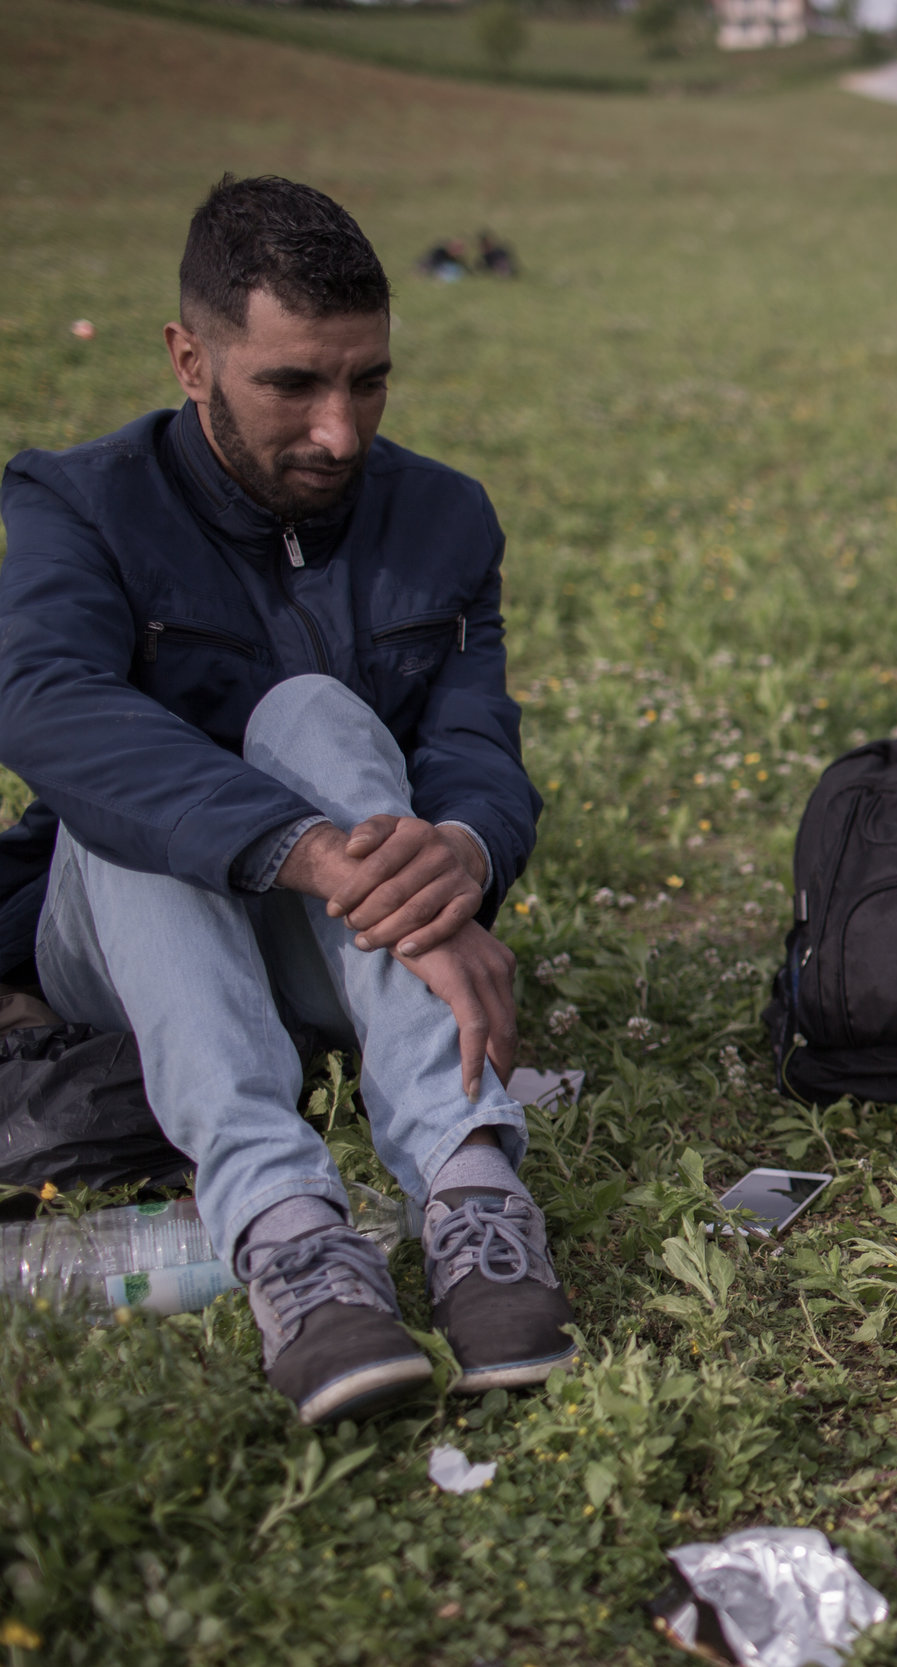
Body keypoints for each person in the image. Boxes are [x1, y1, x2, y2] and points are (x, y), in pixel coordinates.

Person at [0, 175, 568, 1428]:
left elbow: (476, 740)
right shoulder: (76, 503)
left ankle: (474, 1191)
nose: (341, 430)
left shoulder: (444, 513)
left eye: (367, 380)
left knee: (312, 714)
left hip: (350, 944)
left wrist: (460, 861)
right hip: (129, 933)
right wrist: (305, 847)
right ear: (189, 359)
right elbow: (44, 705)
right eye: (294, 385)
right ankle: (288, 1227)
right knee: (142, 782)